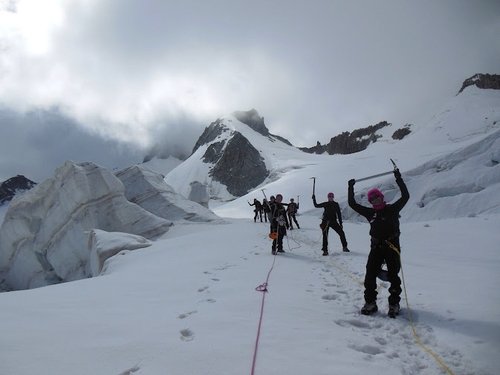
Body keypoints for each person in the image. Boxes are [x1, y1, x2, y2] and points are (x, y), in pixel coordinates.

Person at [348, 168, 409, 318]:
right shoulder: (370, 213)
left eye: (377, 198)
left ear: (382, 198)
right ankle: (370, 303)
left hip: (392, 247)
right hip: (376, 247)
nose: (375, 201)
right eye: (372, 199)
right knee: (370, 274)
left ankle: (394, 304)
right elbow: (352, 204)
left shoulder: (393, 209)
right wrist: (350, 187)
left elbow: (406, 196)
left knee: (393, 276)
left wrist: (398, 178)